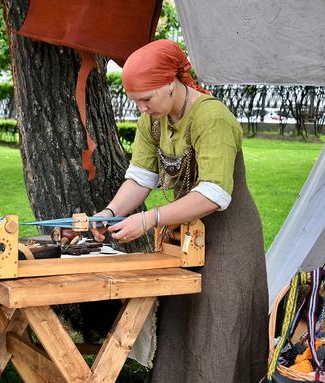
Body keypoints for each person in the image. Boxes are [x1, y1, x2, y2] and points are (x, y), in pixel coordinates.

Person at [93, 40, 268, 382]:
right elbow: (141, 179)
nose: (141, 108)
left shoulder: (212, 117)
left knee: (217, 321)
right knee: (180, 318)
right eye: (136, 101)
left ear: (172, 83)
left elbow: (215, 194)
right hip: (183, 233)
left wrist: (149, 218)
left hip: (228, 234)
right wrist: (110, 212)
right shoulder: (154, 121)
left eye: (146, 99)